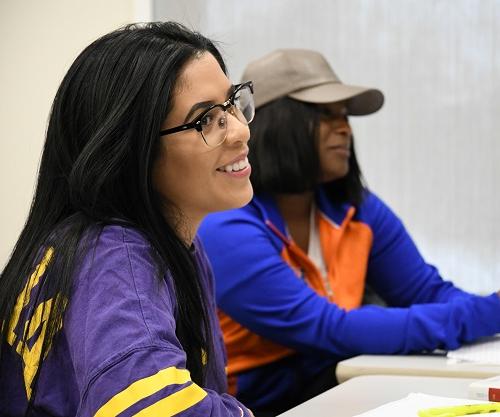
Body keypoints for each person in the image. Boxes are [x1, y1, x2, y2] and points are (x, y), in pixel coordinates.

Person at [198, 49, 500, 416]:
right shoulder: (225, 224)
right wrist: (489, 312)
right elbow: (328, 328)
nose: (345, 128)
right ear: (276, 124)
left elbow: (427, 292)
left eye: (345, 116)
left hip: (341, 389)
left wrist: (487, 314)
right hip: (261, 406)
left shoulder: (356, 206)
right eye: (326, 115)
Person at [0, 22, 256, 416]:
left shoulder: (169, 240)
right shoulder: (115, 252)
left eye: (232, 103)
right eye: (206, 119)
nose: (240, 130)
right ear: (129, 150)